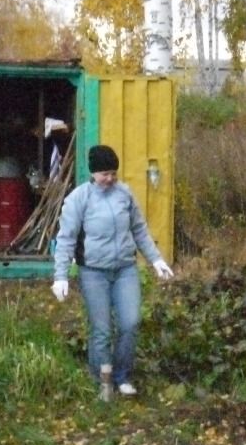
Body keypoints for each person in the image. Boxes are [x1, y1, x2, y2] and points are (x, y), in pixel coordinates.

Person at [51, 144, 174, 397]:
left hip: (125, 270)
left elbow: (139, 229)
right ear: (93, 172)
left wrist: (156, 260)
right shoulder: (78, 199)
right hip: (93, 272)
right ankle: (102, 380)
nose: (110, 178)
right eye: (104, 173)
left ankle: (122, 375)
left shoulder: (124, 195)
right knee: (102, 329)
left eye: (113, 173)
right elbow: (66, 239)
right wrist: (60, 276)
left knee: (130, 322)